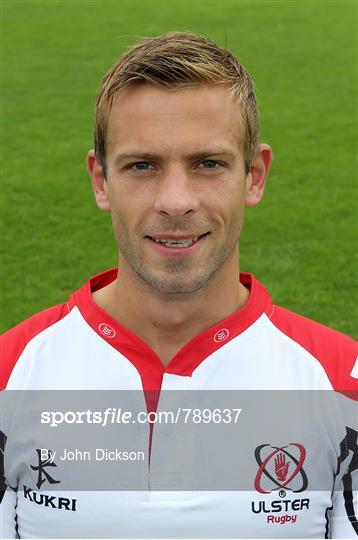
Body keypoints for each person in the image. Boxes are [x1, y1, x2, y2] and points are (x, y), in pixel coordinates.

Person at [0, 32, 357, 539]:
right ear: (101, 180)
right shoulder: (10, 375)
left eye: (207, 164)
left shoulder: (343, 384)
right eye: (142, 166)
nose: (174, 201)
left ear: (254, 175)